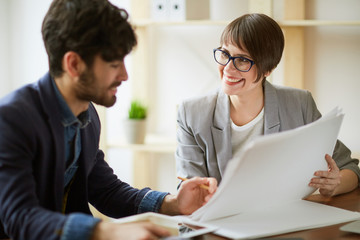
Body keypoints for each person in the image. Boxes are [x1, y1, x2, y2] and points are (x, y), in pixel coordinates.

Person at [0, 0, 218, 240]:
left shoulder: (88, 116)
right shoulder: (11, 119)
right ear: (73, 64)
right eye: (114, 64)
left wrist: (173, 203)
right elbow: (19, 217)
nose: (124, 75)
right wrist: (104, 229)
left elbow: (106, 191)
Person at [175, 13, 360, 198]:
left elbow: (350, 168)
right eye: (225, 54)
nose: (228, 69)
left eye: (243, 60)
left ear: (268, 69)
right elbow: (189, 195)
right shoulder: (192, 114)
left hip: (284, 221)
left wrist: (335, 185)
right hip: (220, 223)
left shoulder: (299, 105)